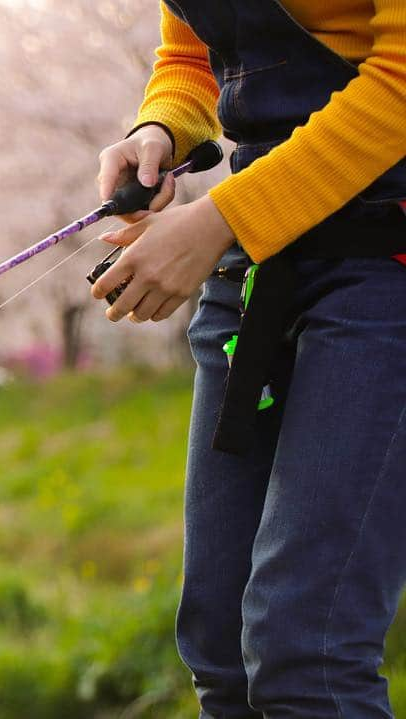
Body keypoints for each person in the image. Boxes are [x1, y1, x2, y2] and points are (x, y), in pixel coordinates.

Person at [89, 1, 406, 716]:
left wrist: (222, 218)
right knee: (221, 649)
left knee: (306, 654)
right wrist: (161, 128)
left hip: (384, 273)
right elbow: (191, 55)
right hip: (259, 269)